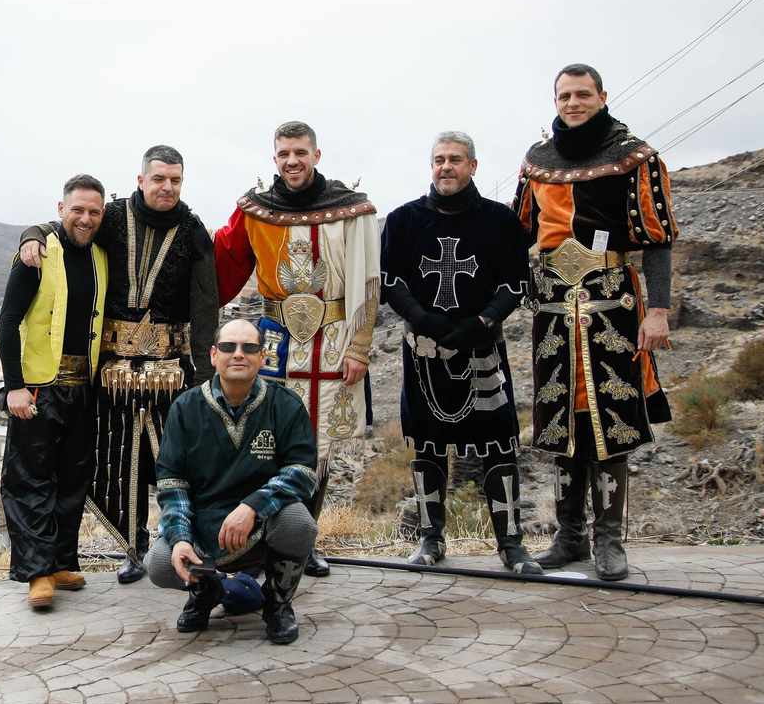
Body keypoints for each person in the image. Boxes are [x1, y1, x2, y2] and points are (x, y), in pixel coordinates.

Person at [16, 145, 218, 584]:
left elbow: (206, 306)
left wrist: (205, 375)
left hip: (173, 370)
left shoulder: (193, 229)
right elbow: (71, 225)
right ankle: (133, 547)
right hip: (112, 372)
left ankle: (179, 542)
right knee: (121, 460)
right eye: (159, 179)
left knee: (176, 459)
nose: (167, 187)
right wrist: (32, 234)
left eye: (175, 180)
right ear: (141, 180)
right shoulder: (111, 217)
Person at [513, 64, 677, 581]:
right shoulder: (537, 162)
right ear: (555, 101)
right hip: (554, 310)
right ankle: (570, 537)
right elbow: (518, 233)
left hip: (612, 305)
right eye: (565, 95)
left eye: (583, 94)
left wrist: (657, 310)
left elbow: (657, 240)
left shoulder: (634, 157)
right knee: (560, 420)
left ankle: (609, 539)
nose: (573, 103)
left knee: (611, 419)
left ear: (602, 97)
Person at [214, 121, 380, 577]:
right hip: (273, 342)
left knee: (318, 444)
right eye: (285, 153)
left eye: (301, 152)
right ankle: (261, 540)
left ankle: (303, 538)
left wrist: (360, 347)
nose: (293, 161)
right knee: (266, 439)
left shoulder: (350, 208)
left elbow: (369, 280)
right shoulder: (256, 209)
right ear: (275, 159)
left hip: (333, 340)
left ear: (316, 155)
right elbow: (223, 261)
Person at [382, 131, 540, 573]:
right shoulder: (404, 220)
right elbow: (391, 281)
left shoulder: (500, 220)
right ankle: (430, 539)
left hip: (483, 348)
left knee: (499, 442)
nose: (445, 167)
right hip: (424, 351)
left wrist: (482, 322)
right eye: (439, 159)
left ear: (472, 166)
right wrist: (424, 319)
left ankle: (511, 544)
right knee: (427, 443)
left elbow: (514, 282)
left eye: (455, 159)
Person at [147, 318, 320, 644]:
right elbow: (172, 484)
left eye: (249, 347)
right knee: (158, 564)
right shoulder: (185, 408)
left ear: (263, 357)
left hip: (264, 522)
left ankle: (277, 602)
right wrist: (181, 538)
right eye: (228, 346)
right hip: (205, 523)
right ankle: (207, 590)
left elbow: (302, 473)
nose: (238, 354)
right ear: (214, 355)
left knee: (299, 524)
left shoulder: (285, 404)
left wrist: (253, 506)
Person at [0, 174, 110, 609]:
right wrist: (14, 387)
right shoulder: (38, 253)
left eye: (93, 212)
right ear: (61, 209)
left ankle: (61, 562)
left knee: (72, 480)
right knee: (30, 481)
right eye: (77, 209)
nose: (85, 218)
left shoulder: (101, 255)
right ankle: (37, 573)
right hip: (39, 390)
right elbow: (9, 320)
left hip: (83, 389)